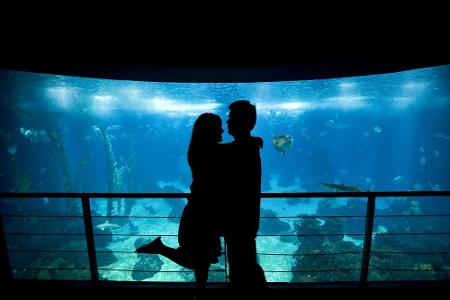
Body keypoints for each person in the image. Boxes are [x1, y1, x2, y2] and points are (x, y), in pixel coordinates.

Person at [135, 113, 223, 290]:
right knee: (201, 258)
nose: (222, 130)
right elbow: (226, 152)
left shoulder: (199, 149)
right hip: (200, 212)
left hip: (202, 210)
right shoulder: (206, 151)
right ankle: (161, 249)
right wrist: (248, 142)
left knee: (203, 259)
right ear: (208, 131)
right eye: (217, 127)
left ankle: (200, 292)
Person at [220, 100, 267, 289]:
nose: (227, 123)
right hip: (244, 221)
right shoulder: (248, 147)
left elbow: (208, 149)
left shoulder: (244, 149)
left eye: (230, 118)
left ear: (241, 122)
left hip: (239, 221)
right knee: (243, 265)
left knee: (242, 268)